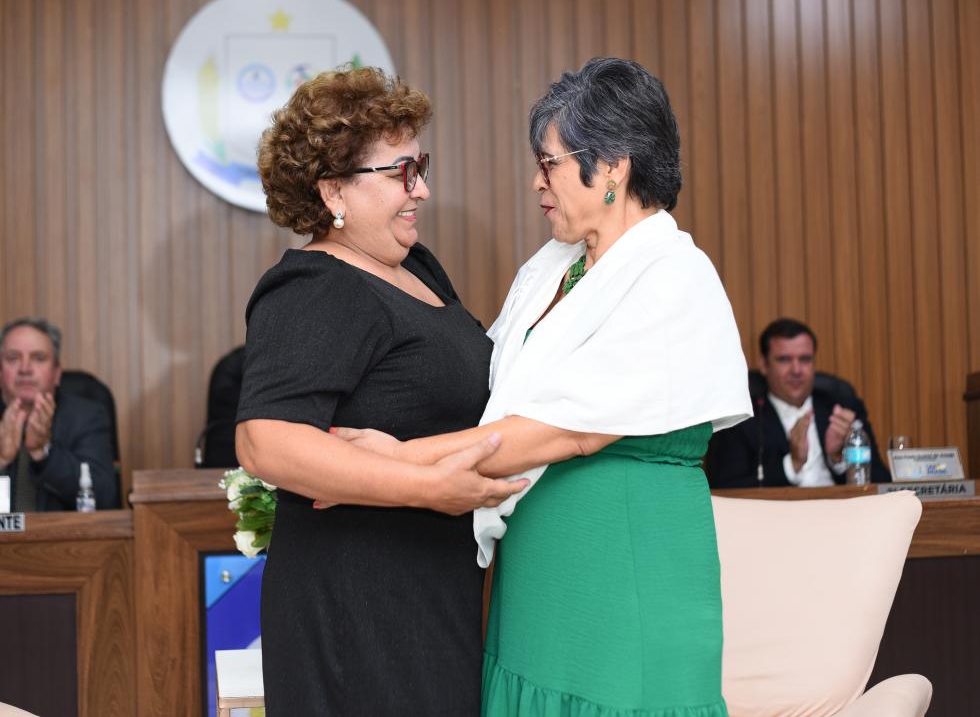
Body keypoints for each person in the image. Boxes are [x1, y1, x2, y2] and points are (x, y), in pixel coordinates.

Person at [337, 58, 752, 716]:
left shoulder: (674, 275)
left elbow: (565, 431)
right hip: (539, 580)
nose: (537, 181)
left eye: (549, 163)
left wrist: (389, 461)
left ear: (612, 166)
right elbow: (493, 394)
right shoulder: (555, 267)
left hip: (623, 576)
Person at [234, 67, 527, 716]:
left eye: (420, 166)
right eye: (402, 172)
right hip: (356, 607)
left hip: (428, 590)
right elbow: (264, 441)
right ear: (334, 190)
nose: (422, 188)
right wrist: (428, 486)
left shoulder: (414, 263)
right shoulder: (315, 286)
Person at [710, 317, 890, 488]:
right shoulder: (741, 419)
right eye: (784, 359)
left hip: (841, 507)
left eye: (805, 359)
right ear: (764, 365)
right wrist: (792, 465)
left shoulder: (841, 408)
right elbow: (725, 488)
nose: (796, 370)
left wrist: (839, 458)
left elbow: (881, 482)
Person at [0, 318, 116, 511]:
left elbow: (104, 499)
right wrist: (1, 461)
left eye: (38, 358)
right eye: (13, 358)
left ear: (56, 373)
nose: (25, 369)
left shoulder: (87, 417)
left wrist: (44, 452)